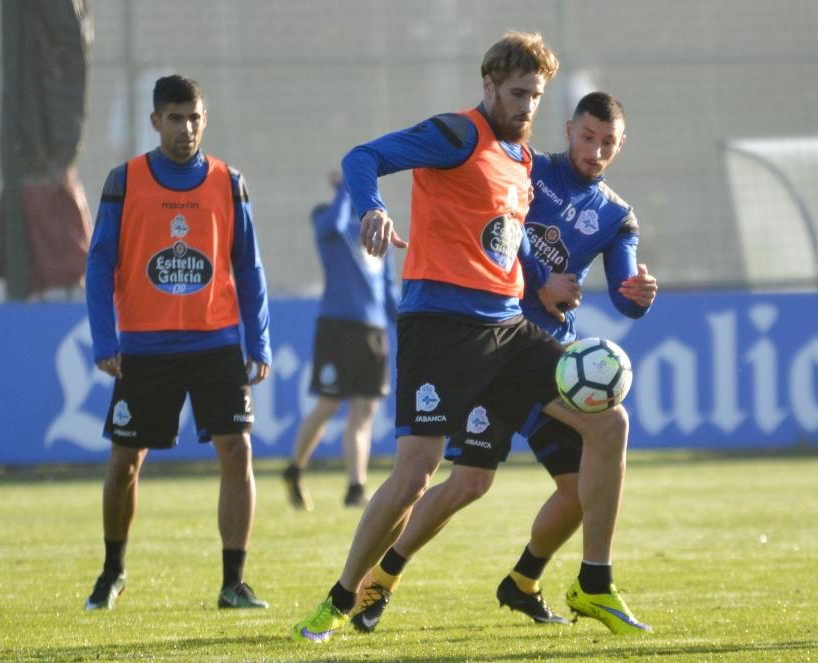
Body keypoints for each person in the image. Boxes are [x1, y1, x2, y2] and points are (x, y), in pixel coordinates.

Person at [291, 32, 644, 643]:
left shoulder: (523, 160)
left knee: (608, 422)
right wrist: (372, 207)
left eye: (535, 95)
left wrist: (546, 283)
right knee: (415, 476)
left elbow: (507, 243)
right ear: (487, 85)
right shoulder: (456, 135)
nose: (527, 106)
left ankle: (593, 579)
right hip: (440, 327)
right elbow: (361, 158)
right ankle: (341, 595)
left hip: (509, 328)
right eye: (516, 93)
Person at [83, 74, 272, 611]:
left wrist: (257, 340)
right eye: (174, 118)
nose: (186, 128)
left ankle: (234, 583)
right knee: (125, 463)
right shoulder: (124, 181)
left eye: (194, 118)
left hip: (215, 343)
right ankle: (112, 571)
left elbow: (249, 268)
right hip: (145, 346)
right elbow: (99, 264)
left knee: (238, 451)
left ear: (204, 119)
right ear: (155, 122)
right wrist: (106, 336)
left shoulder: (229, 182)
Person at [283, 171, 399, 510]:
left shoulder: (379, 231)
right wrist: (345, 190)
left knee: (364, 410)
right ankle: (294, 468)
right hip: (338, 326)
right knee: (329, 404)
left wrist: (401, 324)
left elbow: (388, 287)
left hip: (373, 331)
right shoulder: (328, 220)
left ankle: (355, 487)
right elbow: (331, 225)